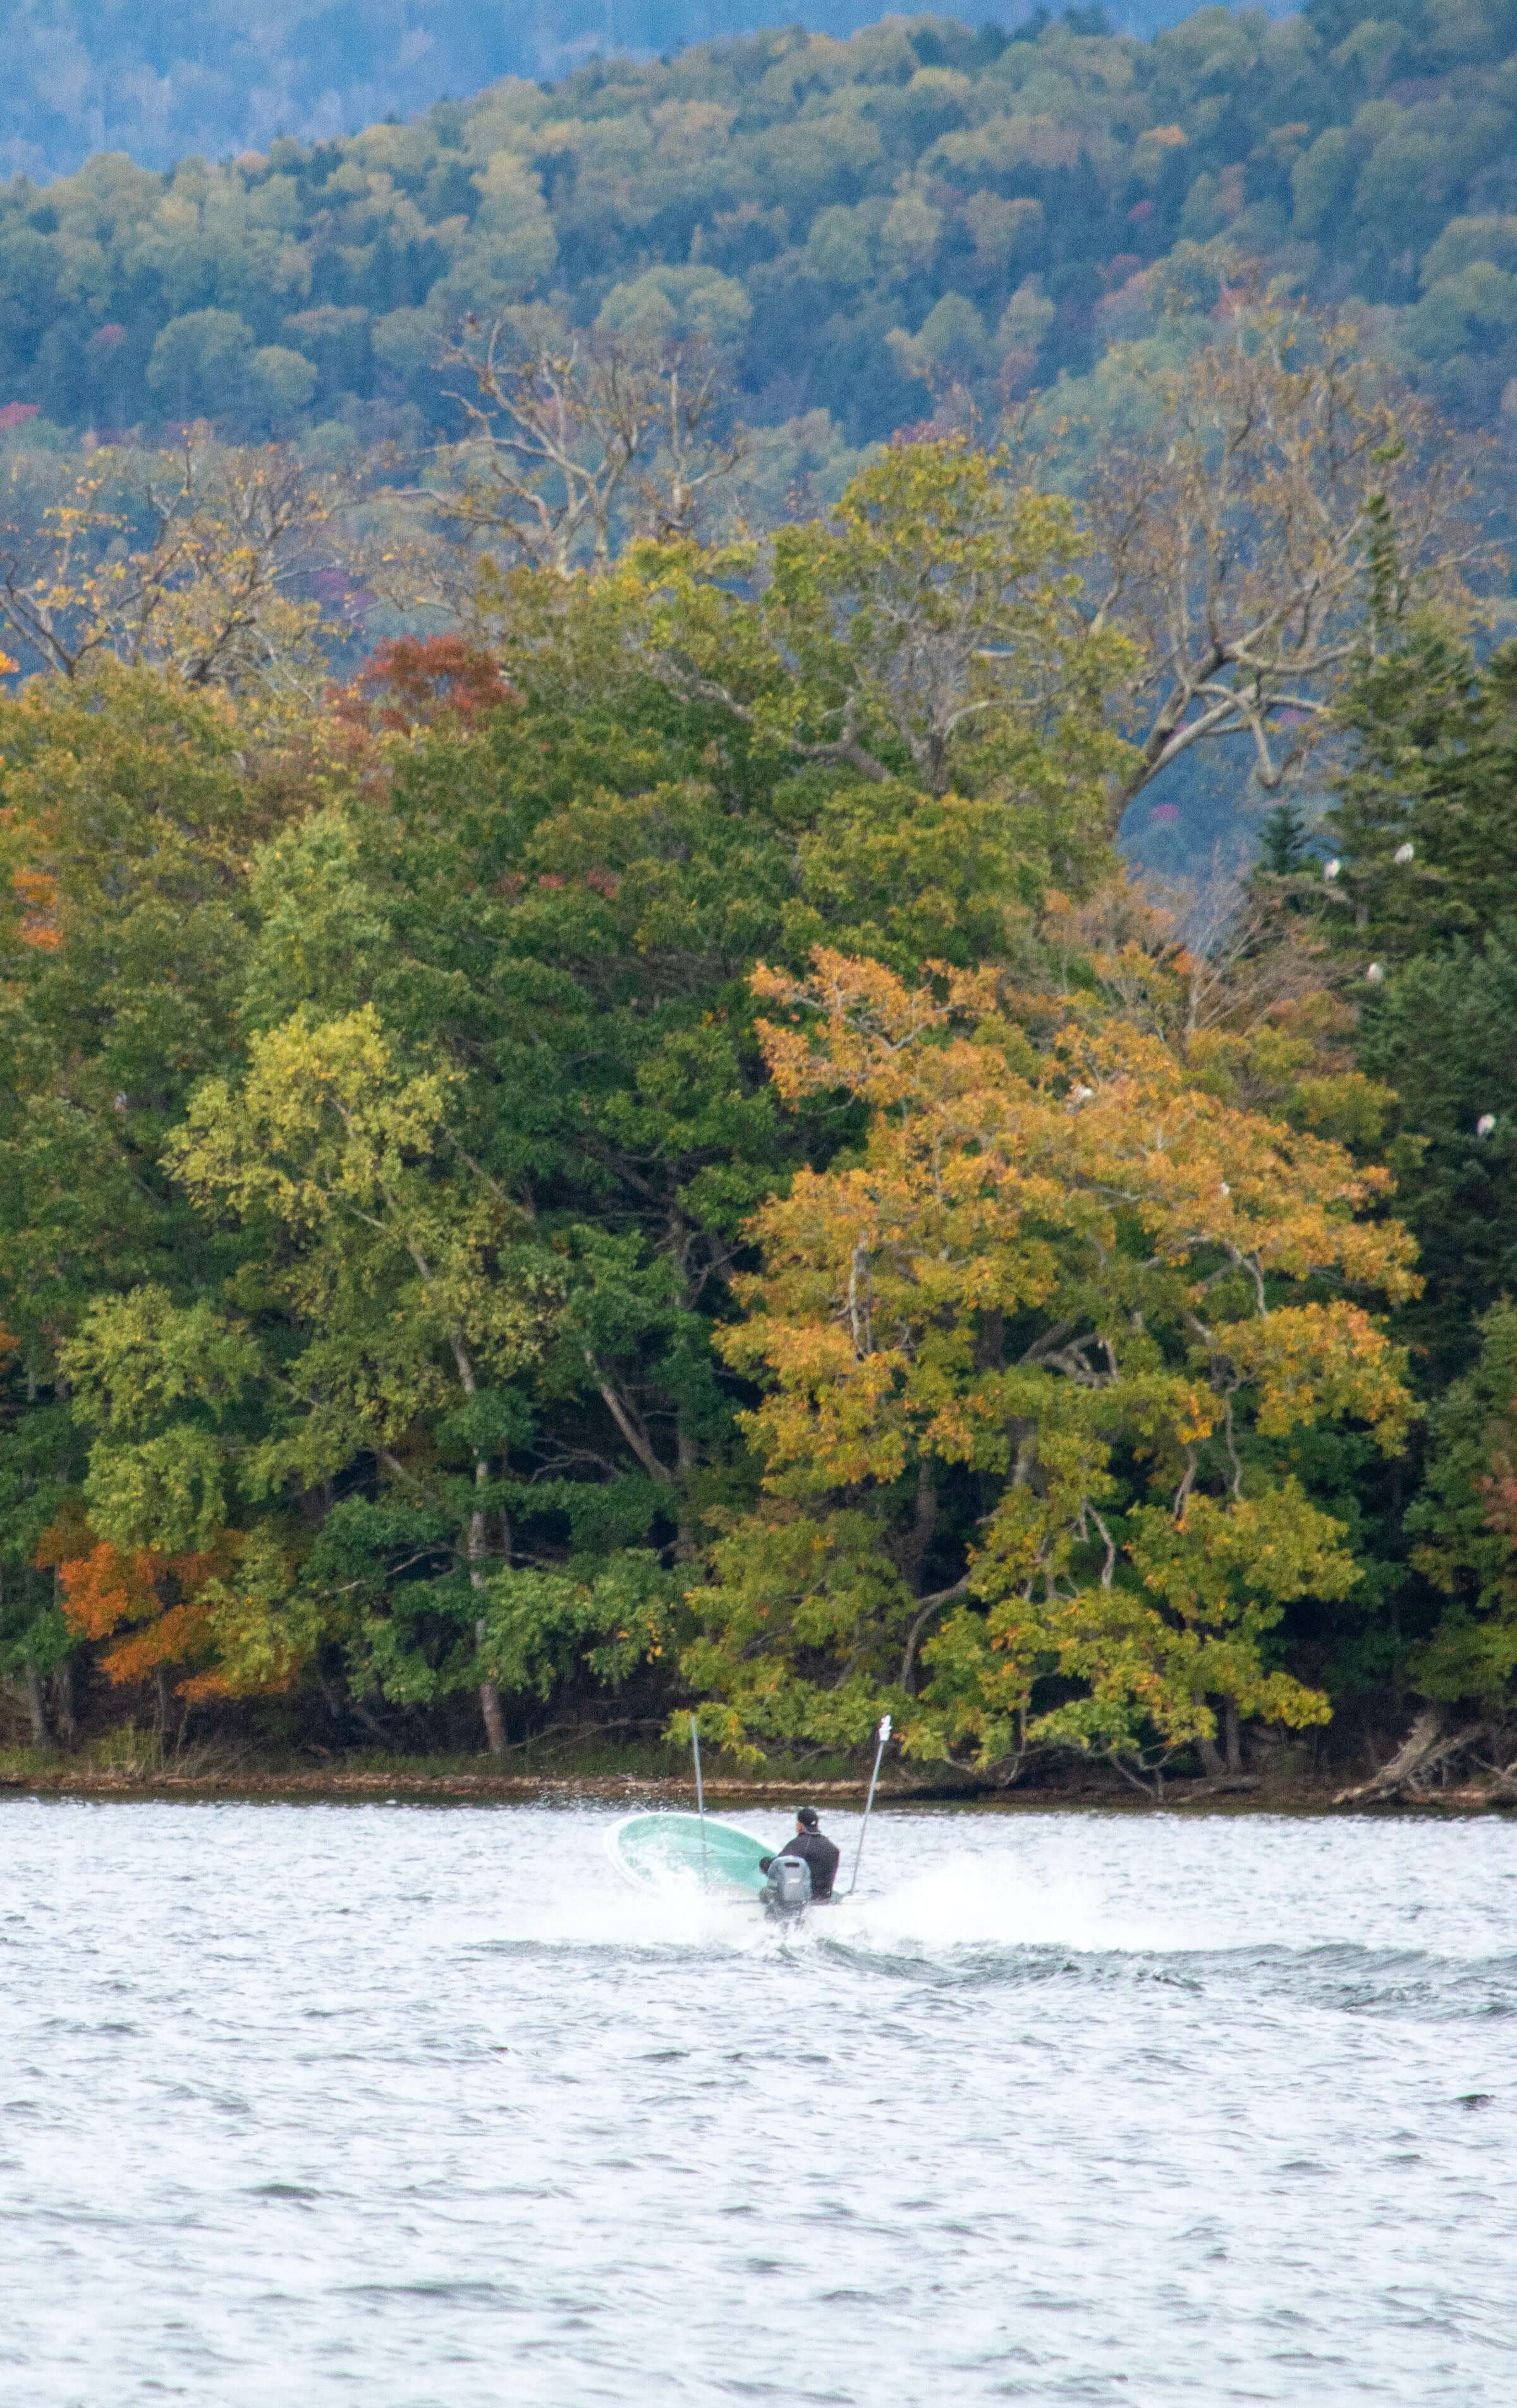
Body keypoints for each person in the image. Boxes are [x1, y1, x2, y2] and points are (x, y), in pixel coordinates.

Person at [760, 1806, 839, 1902]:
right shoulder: (833, 1848)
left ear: (800, 1825)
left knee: (764, 1892)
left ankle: (769, 1918)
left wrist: (765, 1863)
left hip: (804, 1900)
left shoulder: (798, 1845)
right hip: (825, 1899)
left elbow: (777, 1866)